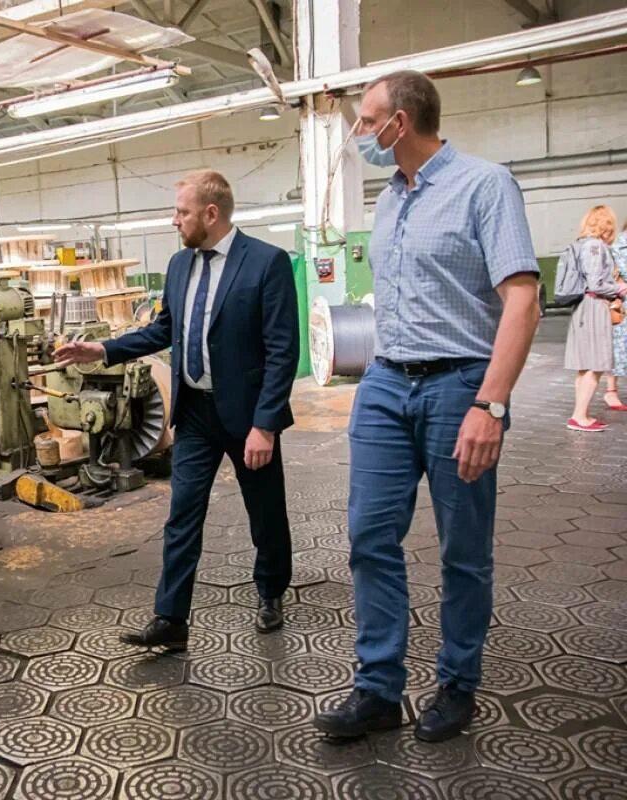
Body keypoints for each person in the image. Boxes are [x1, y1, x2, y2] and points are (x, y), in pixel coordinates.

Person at [312, 71, 541, 743]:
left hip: (458, 385)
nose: (360, 134)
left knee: (462, 549)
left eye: (365, 121)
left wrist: (490, 406)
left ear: (400, 123)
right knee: (370, 537)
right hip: (384, 383)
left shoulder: (485, 185)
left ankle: (457, 683)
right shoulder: (389, 199)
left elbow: (522, 301)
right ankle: (378, 687)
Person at [55, 170, 299, 649]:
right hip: (194, 415)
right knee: (182, 515)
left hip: (249, 417)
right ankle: (171, 619)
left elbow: (283, 350)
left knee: (265, 512)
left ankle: (271, 591)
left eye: (182, 212)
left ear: (211, 213)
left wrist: (265, 426)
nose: (174, 220)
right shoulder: (179, 265)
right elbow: (163, 330)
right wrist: (102, 350)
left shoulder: (266, 263)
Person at [564, 206, 626, 431]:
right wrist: (619, 288)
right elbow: (596, 282)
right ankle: (580, 416)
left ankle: (581, 414)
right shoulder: (595, 247)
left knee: (585, 366)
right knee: (597, 363)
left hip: (583, 307)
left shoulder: (582, 245)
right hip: (594, 306)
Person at [603, 219, 627, 410]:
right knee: (618, 347)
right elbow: (607, 274)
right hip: (622, 304)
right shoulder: (617, 245)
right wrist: (618, 286)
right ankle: (611, 391)